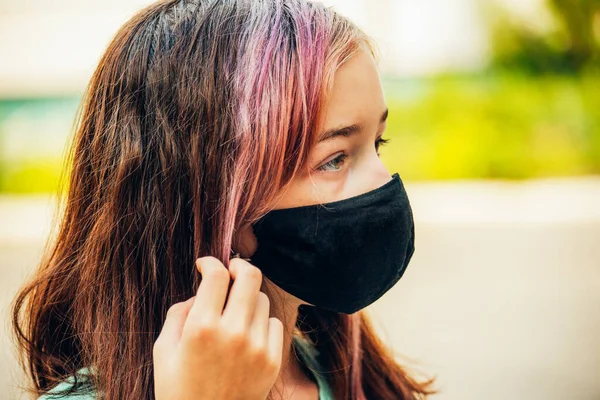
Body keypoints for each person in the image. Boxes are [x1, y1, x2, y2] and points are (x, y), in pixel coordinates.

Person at [11, 0, 437, 399]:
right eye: (335, 159)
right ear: (212, 196)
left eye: (377, 143)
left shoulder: (349, 375)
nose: (383, 184)